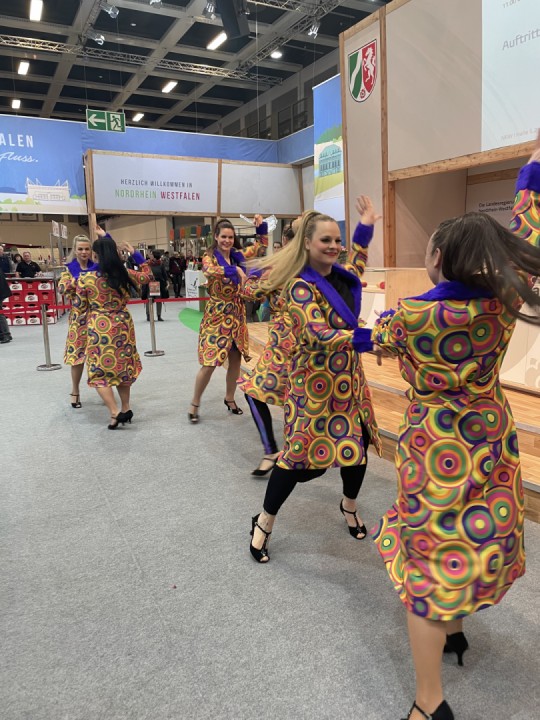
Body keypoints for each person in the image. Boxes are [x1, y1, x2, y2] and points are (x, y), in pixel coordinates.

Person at [370, 143, 540, 720]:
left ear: (438, 255)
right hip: (490, 438)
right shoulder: (506, 300)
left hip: (434, 446)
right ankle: (458, 630)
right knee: (469, 535)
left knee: (427, 560)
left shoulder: (411, 315)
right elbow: (530, 234)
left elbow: (373, 338)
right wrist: (530, 174)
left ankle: (429, 702)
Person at [249, 198, 382, 563]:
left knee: (358, 447)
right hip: (313, 389)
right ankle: (264, 521)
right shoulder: (299, 287)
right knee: (298, 460)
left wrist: (365, 226)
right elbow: (318, 334)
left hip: (350, 384)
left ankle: (349, 505)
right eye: (326, 240)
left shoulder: (341, 276)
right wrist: (369, 338)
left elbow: (357, 261)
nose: (334, 246)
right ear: (307, 243)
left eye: (337, 240)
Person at [188, 216, 268, 423]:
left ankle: (230, 398)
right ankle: (195, 402)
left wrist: (261, 227)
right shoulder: (209, 257)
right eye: (223, 236)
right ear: (216, 236)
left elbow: (261, 247)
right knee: (209, 363)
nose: (227, 240)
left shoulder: (238, 255)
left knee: (235, 360)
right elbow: (208, 271)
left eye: (230, 237)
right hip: (216, 315)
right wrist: (235, 270)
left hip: (237, 315)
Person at [76, 227, 152, 429]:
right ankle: (126, 408)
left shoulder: (86, 278)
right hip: (123, 325)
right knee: (123, 369)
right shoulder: (125, 274)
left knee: (99, 373)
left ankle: (114, 412)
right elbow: (148, 275)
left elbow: (80, 307)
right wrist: (135, 253)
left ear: (95, 255)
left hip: (99, 328)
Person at [239, 223, 296, 474]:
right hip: (307, 339)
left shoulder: (279, 268)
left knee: (254, 392)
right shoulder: (318, 267)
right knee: (296, 397)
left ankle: (275, 450)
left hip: (286, 342)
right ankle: (290, 451)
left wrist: (248, 277)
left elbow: (250, 292)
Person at [58, 235, 98, 408]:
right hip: (78, 319)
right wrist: (75, 281)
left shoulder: (97, 268)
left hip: (97, 317)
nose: (84, 252)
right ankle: (75, 390)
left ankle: (104, 387)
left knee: (101, 353)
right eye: (80, 249)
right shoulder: (69, 269)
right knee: (77, 356)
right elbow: (61, 289)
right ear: (75, 250)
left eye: (87, 249)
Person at [141, 250, 169, 321]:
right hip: (149, 284)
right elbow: (143, 273)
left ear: (155, 256)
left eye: (151, 254)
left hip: (158, 284)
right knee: (149, 299)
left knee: (159, 299)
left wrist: (167, 281)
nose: (150, 255)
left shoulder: (161, 264)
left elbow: (164, 274)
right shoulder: (147, 264)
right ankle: (148, 315)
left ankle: (159, 315)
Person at [0, 267, 13, 343]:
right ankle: (3, 334)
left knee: (0, 315)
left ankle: (5, 334)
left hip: (1, 292)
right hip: (2, 292)